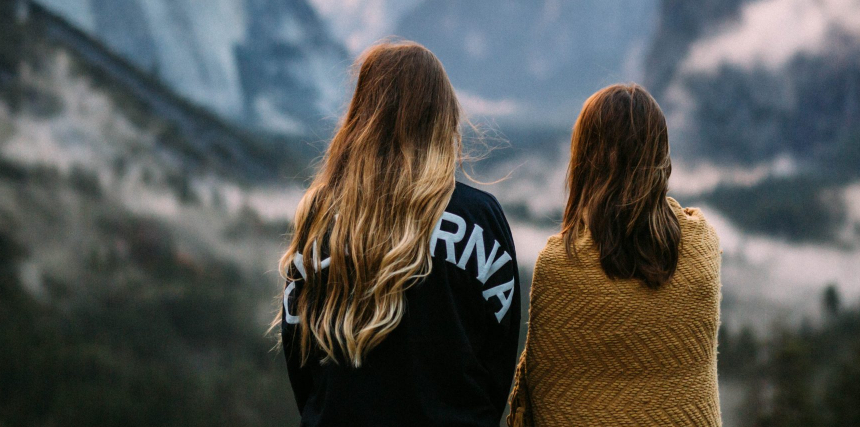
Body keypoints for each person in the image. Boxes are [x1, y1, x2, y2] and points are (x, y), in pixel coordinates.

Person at [278, 40, 521, 427]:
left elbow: (299, 358)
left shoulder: (320, 215)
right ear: (444, 118)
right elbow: (499, 356)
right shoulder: (481, 217)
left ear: (362, 116)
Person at [507, 84, 722, 426]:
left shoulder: (559, 266)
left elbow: (545, 395)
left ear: (583, 161)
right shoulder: (701, 247)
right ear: (662, 159)